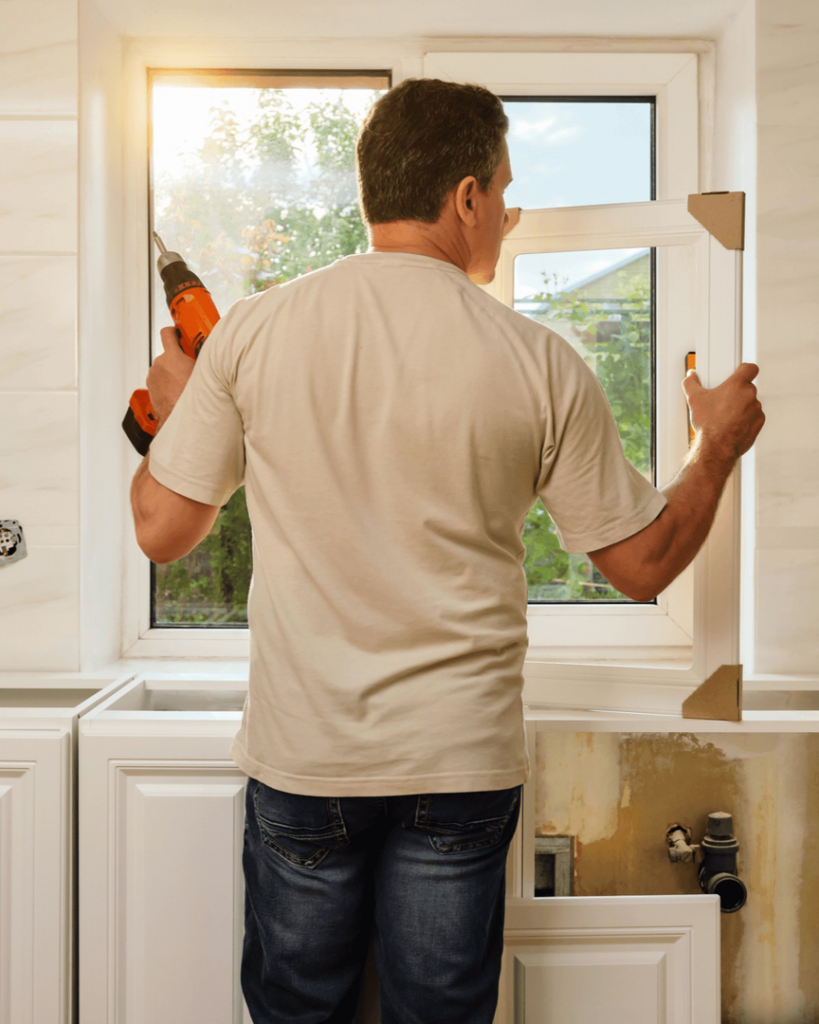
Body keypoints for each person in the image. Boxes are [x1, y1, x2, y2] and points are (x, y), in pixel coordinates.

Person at [130, 78, 765, 1024]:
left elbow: (161, 531)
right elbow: (643, 566)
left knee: (297, 1008)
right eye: (503, 192)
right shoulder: (537, 357)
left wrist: (175, 412)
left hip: (306, 759)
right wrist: (714, 446)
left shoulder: (253, 333)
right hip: (458, 762)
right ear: (465, 197)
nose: (508, 215)